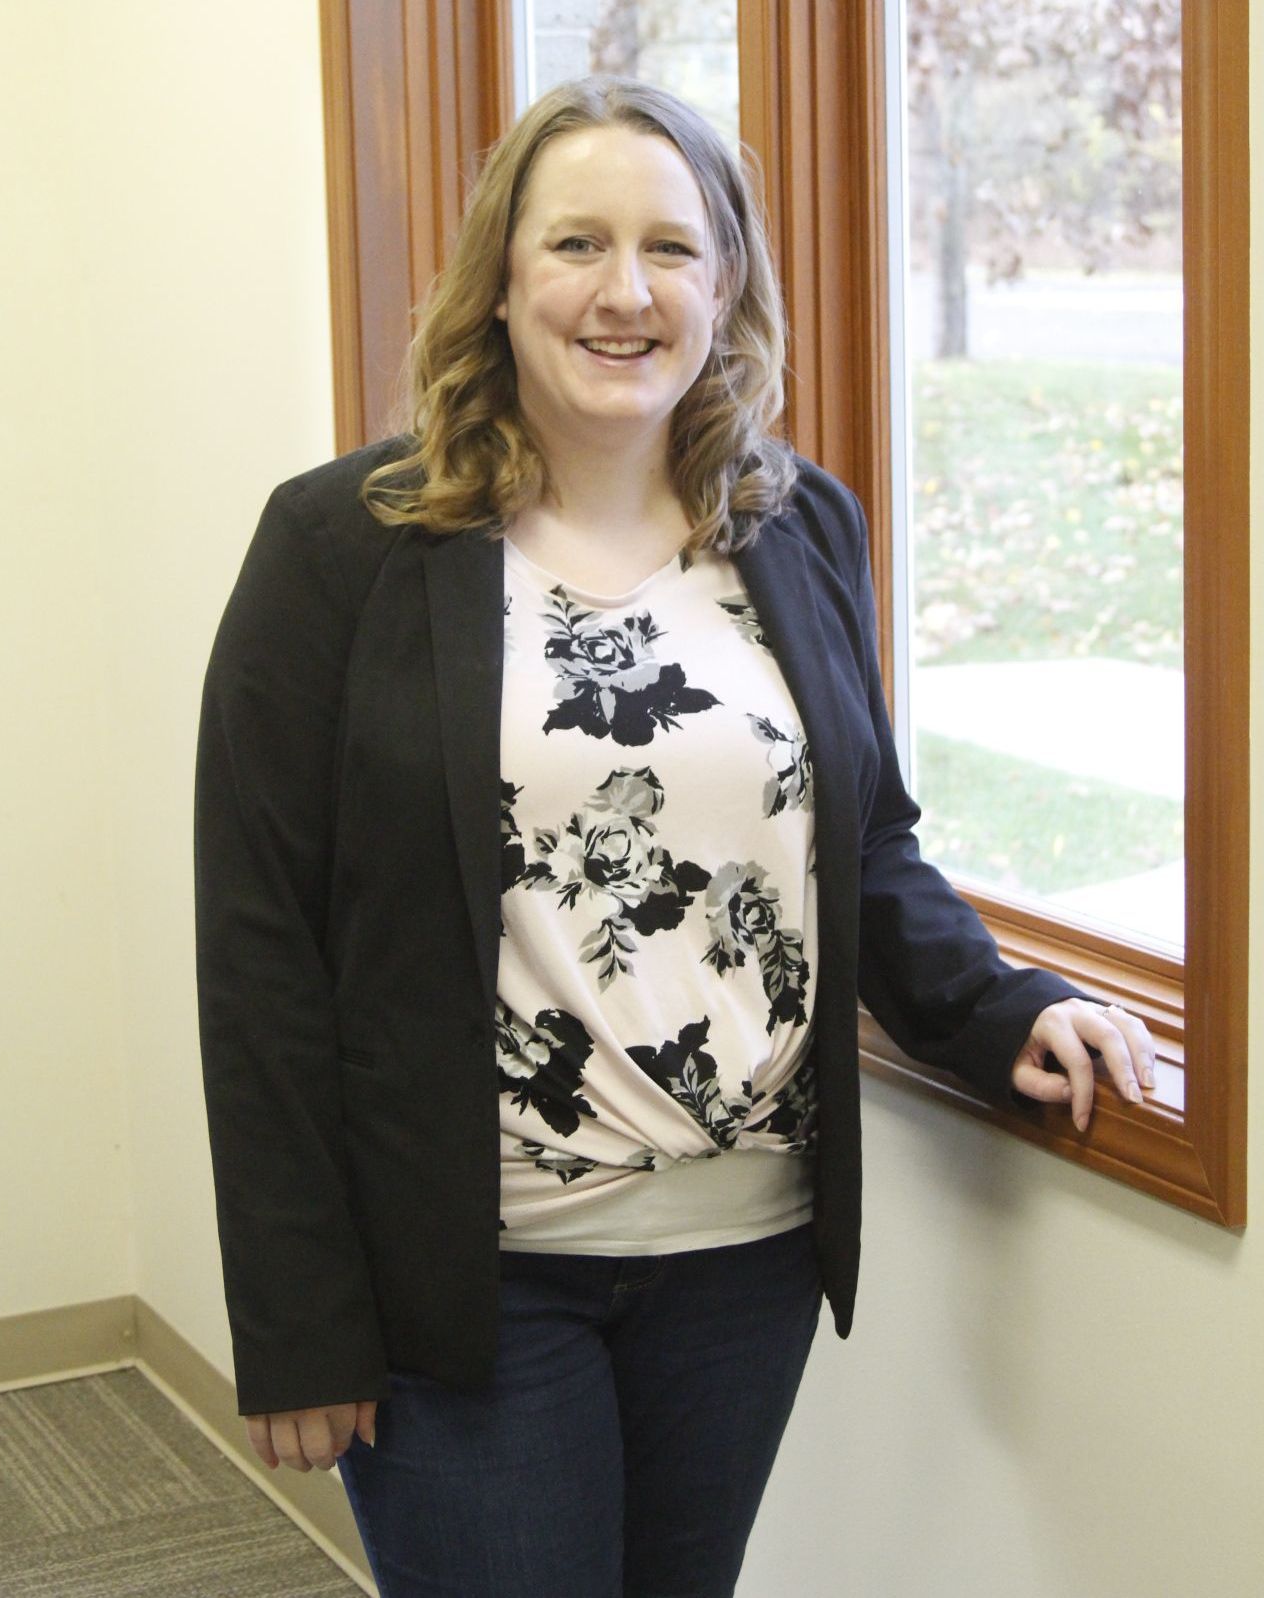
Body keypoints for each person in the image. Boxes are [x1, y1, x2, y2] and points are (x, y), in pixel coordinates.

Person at [194, 74, 1156, 1598]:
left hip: (745, 1257)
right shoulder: (342, 550)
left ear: (727, 287)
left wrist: (1002, 1007)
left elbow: (867, 840)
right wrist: (299, 1318)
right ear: (500, 283)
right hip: (468, 1275)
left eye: (671, 249)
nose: (624, 291)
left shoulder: (799, 525)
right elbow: (259, 955)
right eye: (576, 243)